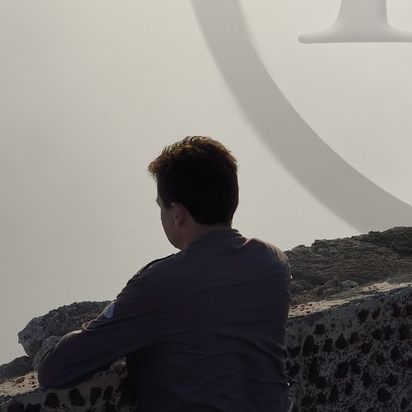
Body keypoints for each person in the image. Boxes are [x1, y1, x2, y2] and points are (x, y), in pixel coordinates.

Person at [34, 136, 292, 411]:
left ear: (177, 213)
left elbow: (56, 369)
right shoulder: (272, 262)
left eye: (161, 206)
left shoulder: (159, 285)